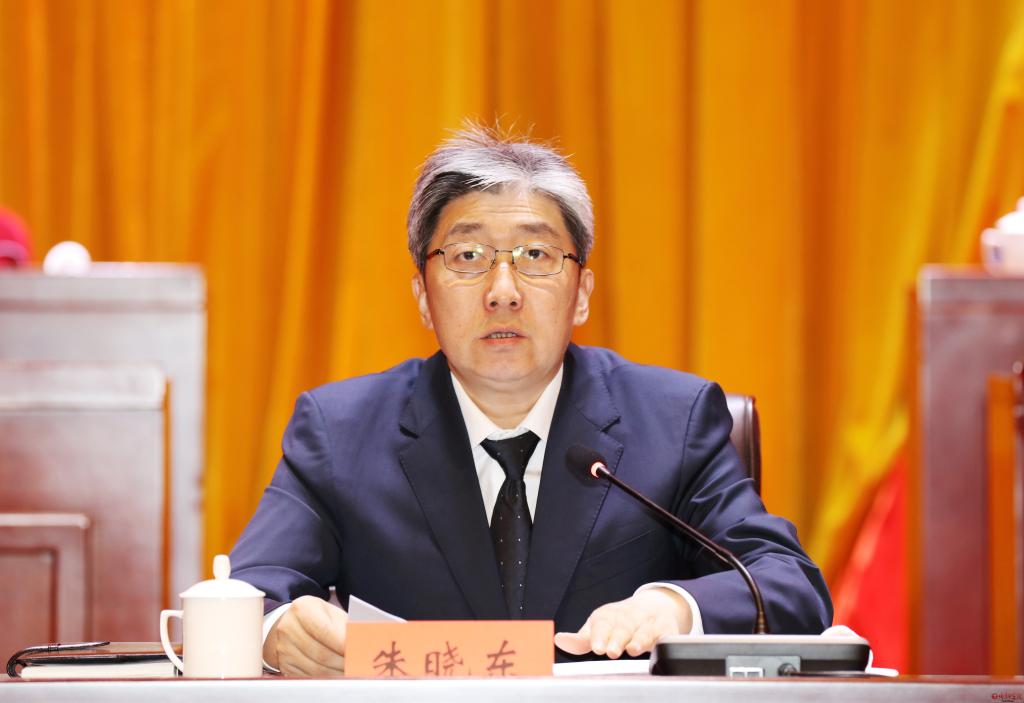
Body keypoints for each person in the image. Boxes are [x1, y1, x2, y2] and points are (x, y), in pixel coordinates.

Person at [230, 127, 832, 677]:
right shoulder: (339, 432)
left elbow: (789, 584)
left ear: (582, 293)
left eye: (535, 256)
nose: (503, 291)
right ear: (422, 296)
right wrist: (275, 631)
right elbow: (252, 591)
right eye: (468, 257)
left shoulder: (673, 420)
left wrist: (674, 606)